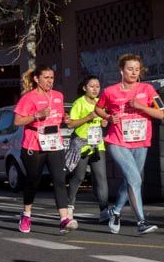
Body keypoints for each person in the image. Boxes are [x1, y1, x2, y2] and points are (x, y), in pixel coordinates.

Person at [96, 55, 163, 235]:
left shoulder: (148, 89)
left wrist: (142, 107)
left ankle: (116, 211)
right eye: (130, 69)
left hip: (141, 142)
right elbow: (98, 108)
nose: (134, 72)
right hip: (117, 140)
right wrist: (109, 117)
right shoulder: (110, 91)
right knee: (135, 179)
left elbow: (162, 113)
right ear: (121, 71)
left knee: (130, 180)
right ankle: (141, 222)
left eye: (137, 69)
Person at [12, 65, 76, 234]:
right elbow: (17, 121)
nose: (49, 81)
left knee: (59, 180)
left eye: (52, 78)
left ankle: (64, 218)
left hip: (55, 142)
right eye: (46, 78)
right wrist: (36, 116)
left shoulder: (58, 96)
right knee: (33, 181)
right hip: (34, 143)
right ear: (36, 79)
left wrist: (65, 119)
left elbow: (60, 117)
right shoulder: (28, 98)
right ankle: (26, 214)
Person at [64, 75, 110, 225]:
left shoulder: (100, 103)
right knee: (79, 177)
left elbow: (104, 120)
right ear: (85, 88)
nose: (95, 89)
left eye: (97, 86)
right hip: (81, 145)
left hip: (97, 145)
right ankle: (69, 208)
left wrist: (104, 122)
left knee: (101, 178)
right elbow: (70, 125)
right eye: (92, 86)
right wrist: (88, 117)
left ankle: (104, 211)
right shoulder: (79, 103)